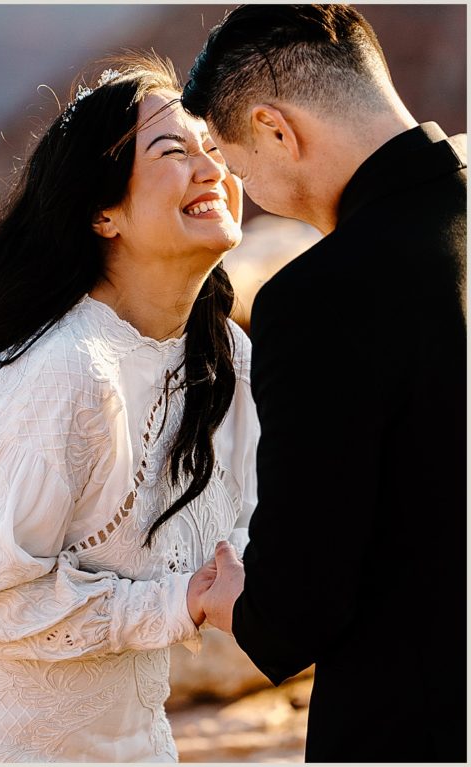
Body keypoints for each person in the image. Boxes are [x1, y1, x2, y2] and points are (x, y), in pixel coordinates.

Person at [180, 5, 466, 762]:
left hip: (414, 723)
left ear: (278, 129)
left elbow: (299, 604)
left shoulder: (323, 297)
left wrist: (230, 596)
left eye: (240, 167)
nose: (249, 191)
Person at [0, 52, 258, 762]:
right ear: (103, 211)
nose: (211, 168)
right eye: (173, 149)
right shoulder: (63, 370)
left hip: (141, 742)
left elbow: (248, 517)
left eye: (214, 148)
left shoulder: (225, 357)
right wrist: (178, 602)